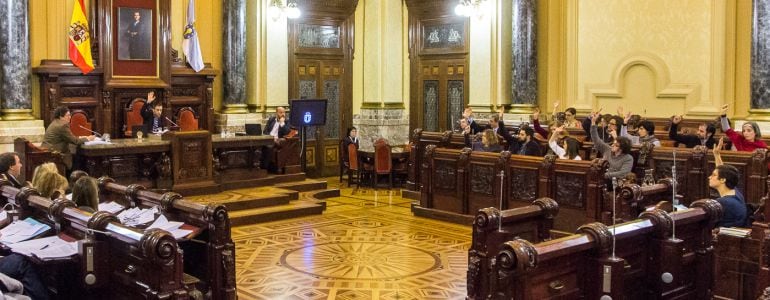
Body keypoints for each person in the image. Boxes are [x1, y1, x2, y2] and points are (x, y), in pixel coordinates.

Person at [41, 106, 95, 170]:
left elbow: (69, 137)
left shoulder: (56, 122)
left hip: (49, 152)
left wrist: (81, 137)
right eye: (68, 115)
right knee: (79, 158)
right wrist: (88, 139)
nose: (70, 117)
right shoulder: (62, 125)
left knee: (75, 152)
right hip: (56, 155)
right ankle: (74, 177)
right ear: (61, 116)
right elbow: (75, 141)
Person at [709, 140, 748, 227]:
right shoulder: (735, 192)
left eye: (713, 175)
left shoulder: (722, 202)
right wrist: (717, 155)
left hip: (726, 236)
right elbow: (724, 172)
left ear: (723, 180)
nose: (709, 177)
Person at [590, 111, 633, 181]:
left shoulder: (628, 158)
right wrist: (593, 122)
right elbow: (596, 140)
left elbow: (623, 173)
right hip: (600, 180)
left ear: (622, 147)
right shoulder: (607, 149)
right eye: (613, 143)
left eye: (616, 145)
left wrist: (604, 175)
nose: (612, 145)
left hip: (614, 182)